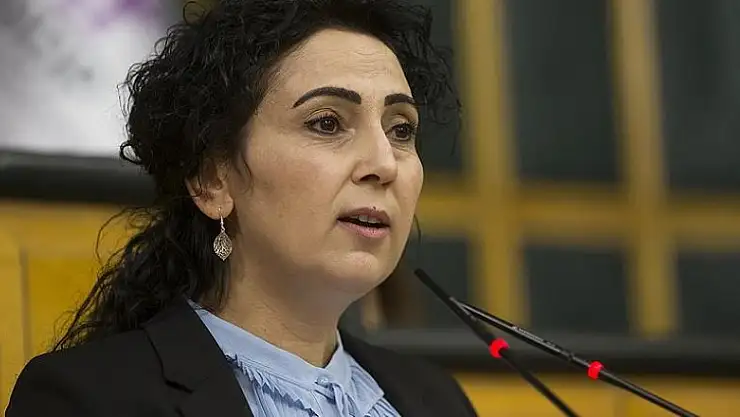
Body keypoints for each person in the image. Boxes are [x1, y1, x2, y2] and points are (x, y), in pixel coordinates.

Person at [6, 0, 476, 416]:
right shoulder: (89, 398)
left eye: (401, 130)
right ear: (213, 180)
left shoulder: (437, 399)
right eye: (327, 123)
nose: (384, 164)